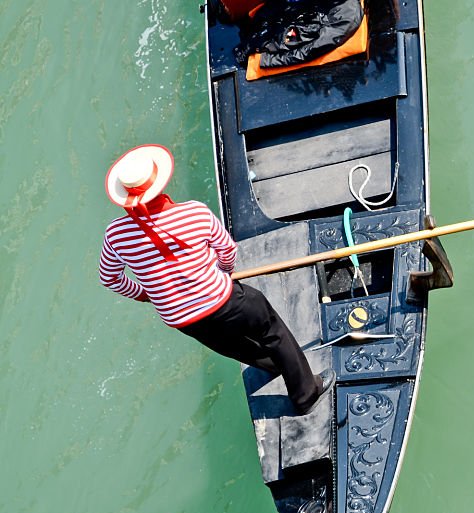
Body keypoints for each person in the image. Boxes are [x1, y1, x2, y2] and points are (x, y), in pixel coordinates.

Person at [99, 144, 335, 415]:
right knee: (272, 331)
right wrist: (223, 272)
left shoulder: (115, 234)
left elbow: (110, 278)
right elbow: (227, 251)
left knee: (235, 347)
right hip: (223, 300)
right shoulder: (193, 213)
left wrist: (145, 293)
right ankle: (306, 393)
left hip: (182, 319)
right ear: (160, 183)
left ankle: (274, 366)